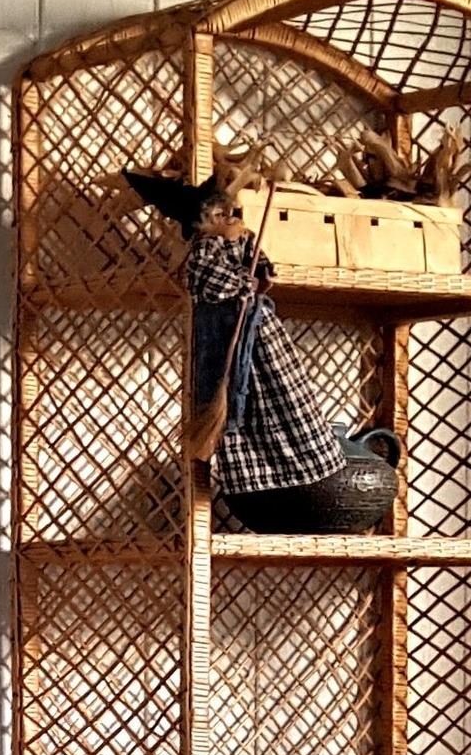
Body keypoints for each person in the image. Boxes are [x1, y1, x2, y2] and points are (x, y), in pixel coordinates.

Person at [123, 164, 346, 504]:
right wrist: (243, 283)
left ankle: (306, 458)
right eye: (218, 214)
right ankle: (255, 473)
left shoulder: (243, 239)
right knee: (237, 394)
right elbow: (205, 281)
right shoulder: (205, 249)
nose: (229, 218)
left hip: (257, 326)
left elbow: (260, 265)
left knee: (282, 389)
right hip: (227, 330)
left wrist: (262, 276)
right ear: (201, 222)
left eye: (229, 212)